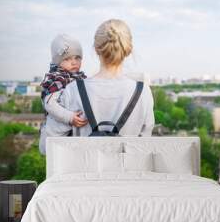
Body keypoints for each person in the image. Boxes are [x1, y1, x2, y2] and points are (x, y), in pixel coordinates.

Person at [41, 19, 155, 153]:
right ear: (128, 50)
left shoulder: (71, 90)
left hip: (85, 172)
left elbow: (45, 147)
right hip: (126, 172)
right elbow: (143, 145)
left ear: (96, 49)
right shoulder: (143, 92)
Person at [38, 34, 89, 154]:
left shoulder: (80, 78)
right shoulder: (57, 77)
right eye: (67, 59)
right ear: (58, 61)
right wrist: (70, 117)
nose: (74, 62)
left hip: (73, 134)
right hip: (55, 135)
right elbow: (49, 104)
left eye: (77, 58)